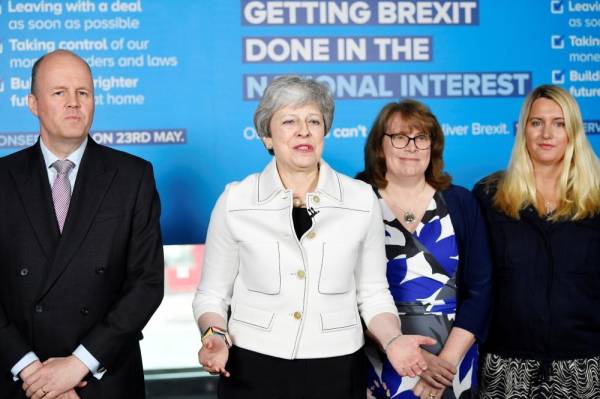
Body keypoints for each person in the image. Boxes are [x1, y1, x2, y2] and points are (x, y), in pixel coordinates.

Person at [192, 76, 437, 399]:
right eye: (289, 121)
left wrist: (392, 340)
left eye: (313, 121)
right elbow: (211, 295)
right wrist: (215, 335)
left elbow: (373, 293)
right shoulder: (235, 201)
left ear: (325, 131)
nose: (303, 131)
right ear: (267, 136)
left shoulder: (360, 199)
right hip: (252, 367)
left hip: (336, 368)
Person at [0, 50, 164, 399]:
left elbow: (147, 284)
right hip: (19, 379)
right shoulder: (2, 179)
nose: (74, 103)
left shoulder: (133, 176)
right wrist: (34, 372)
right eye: (59, 92)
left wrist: (78, 364)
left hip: (103, 378)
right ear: (33, 103)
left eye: (83, 93)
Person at [357, 99, 492, 399]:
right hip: (383, 353)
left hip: (453, 359)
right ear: (380, 145)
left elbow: (480, 291)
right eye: (400, 137)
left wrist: (445, 364)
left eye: (421, 138)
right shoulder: (356, 200)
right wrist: (406, 354)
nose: (412, 147)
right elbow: (344, 291)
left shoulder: (460, 202)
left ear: (433, 146)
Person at [474, 85, 600, 398]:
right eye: (536, 123)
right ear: (523, 131)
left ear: (573, 132)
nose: (547, 133)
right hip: (506, 367)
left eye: (559, 123)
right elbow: (474, 283)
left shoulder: (598, 197)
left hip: (586, 367)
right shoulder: (490, 194)